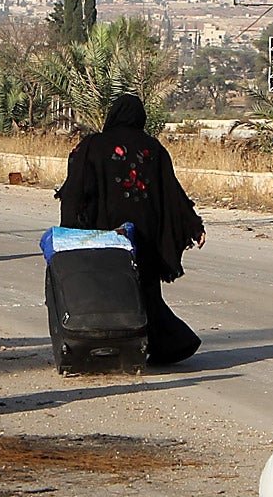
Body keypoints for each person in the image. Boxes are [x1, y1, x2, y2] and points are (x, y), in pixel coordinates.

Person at [57, 92, 207, 366]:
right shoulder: (152, 148)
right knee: (145, 293)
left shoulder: (93, 146)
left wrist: (72, 234)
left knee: (109, 293)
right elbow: (171, 192)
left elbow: (76, 191)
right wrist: (193, 224)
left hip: (106, 236)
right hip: (145, 236)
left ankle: (133, 346)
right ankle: (161, 344)